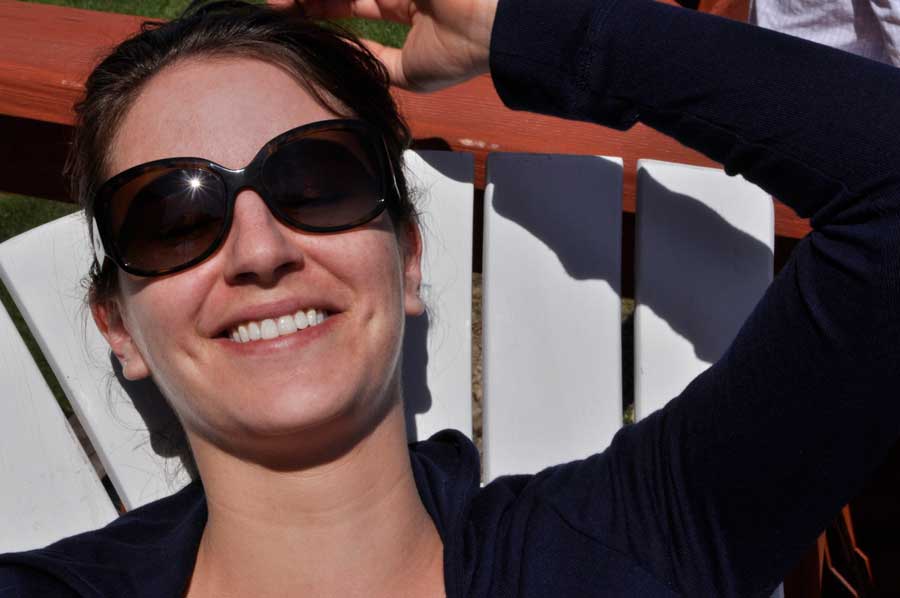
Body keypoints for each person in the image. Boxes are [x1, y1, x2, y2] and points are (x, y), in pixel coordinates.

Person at [1, 0, 898, 596]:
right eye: (173, 215)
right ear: (117, 324)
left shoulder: (629, 544)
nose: (261, 250)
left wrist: (523, 28)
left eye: (317, 180)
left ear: (406, 256)